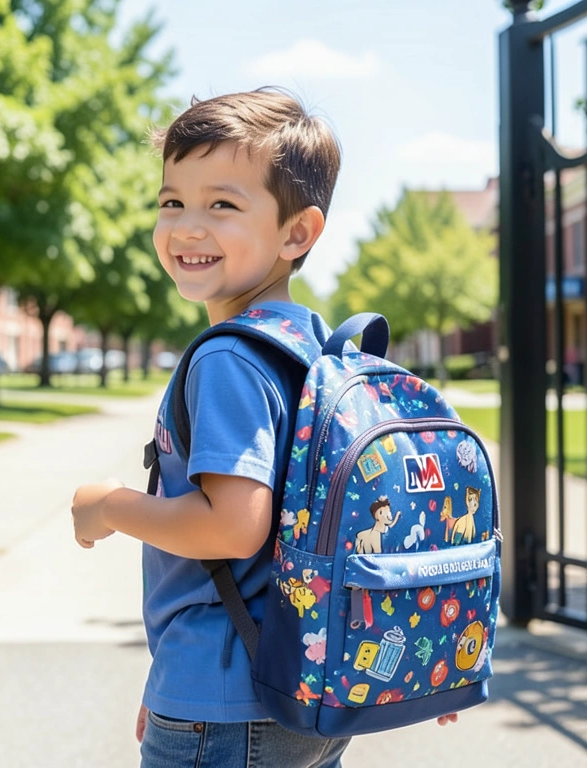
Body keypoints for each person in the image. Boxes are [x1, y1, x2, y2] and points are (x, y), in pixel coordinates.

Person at [70, 88, 456, 768]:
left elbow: (233, 526)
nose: (188, 226)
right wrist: (175, 682)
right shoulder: (313, 346)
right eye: (172, 202)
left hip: (229, 699)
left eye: (221, 204)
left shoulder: (226, 358)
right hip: (299, 689)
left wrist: (109, 506)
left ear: (296, 233)